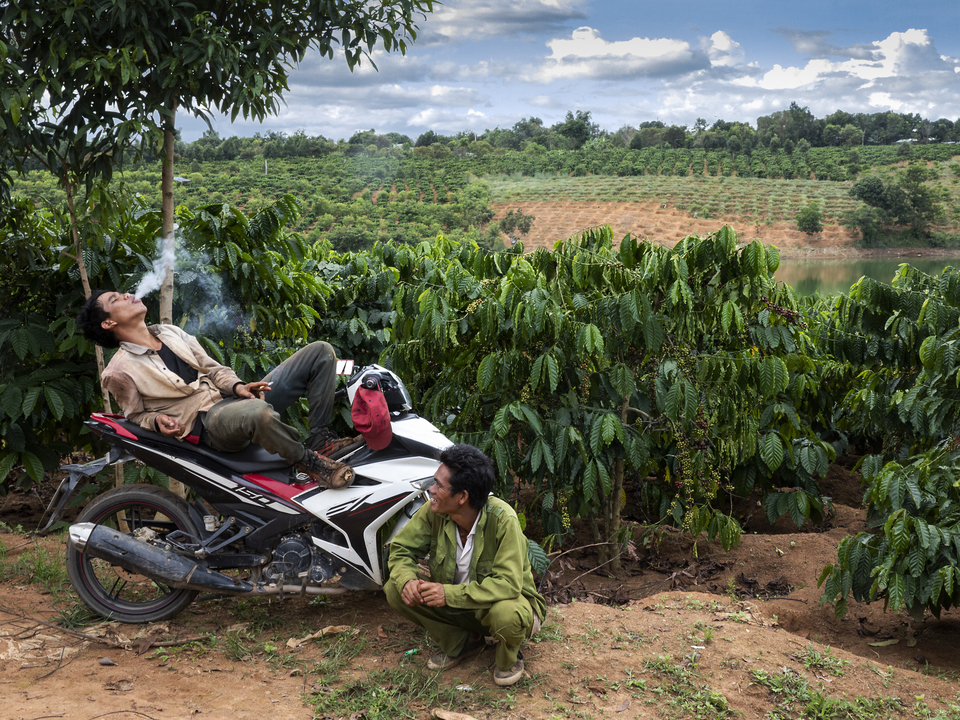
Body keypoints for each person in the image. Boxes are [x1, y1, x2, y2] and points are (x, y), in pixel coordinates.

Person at [77, 289, 354, 488]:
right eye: (116, 299)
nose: (127, 294)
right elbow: (135, 415)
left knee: (320, 352)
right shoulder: (118, 371)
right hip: (208, 423)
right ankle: (311, 463)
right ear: (109, 323)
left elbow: (214, 369)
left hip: (231, 402)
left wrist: (238, 386)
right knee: (258, 413)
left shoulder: (170, 332)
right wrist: (158, 420)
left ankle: (320, 438)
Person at [385, 444, 546, 687]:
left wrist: (447, 594)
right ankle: (463, 642)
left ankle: (509, 656)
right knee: (395, 588)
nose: (431, 490)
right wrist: (407, 580)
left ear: (462, 497)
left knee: (506, 615)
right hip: (460, 607)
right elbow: (401, 549)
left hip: (501, 606)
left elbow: (508, 585)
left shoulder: (503, 519)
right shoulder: (433, 512)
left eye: (439, 485)